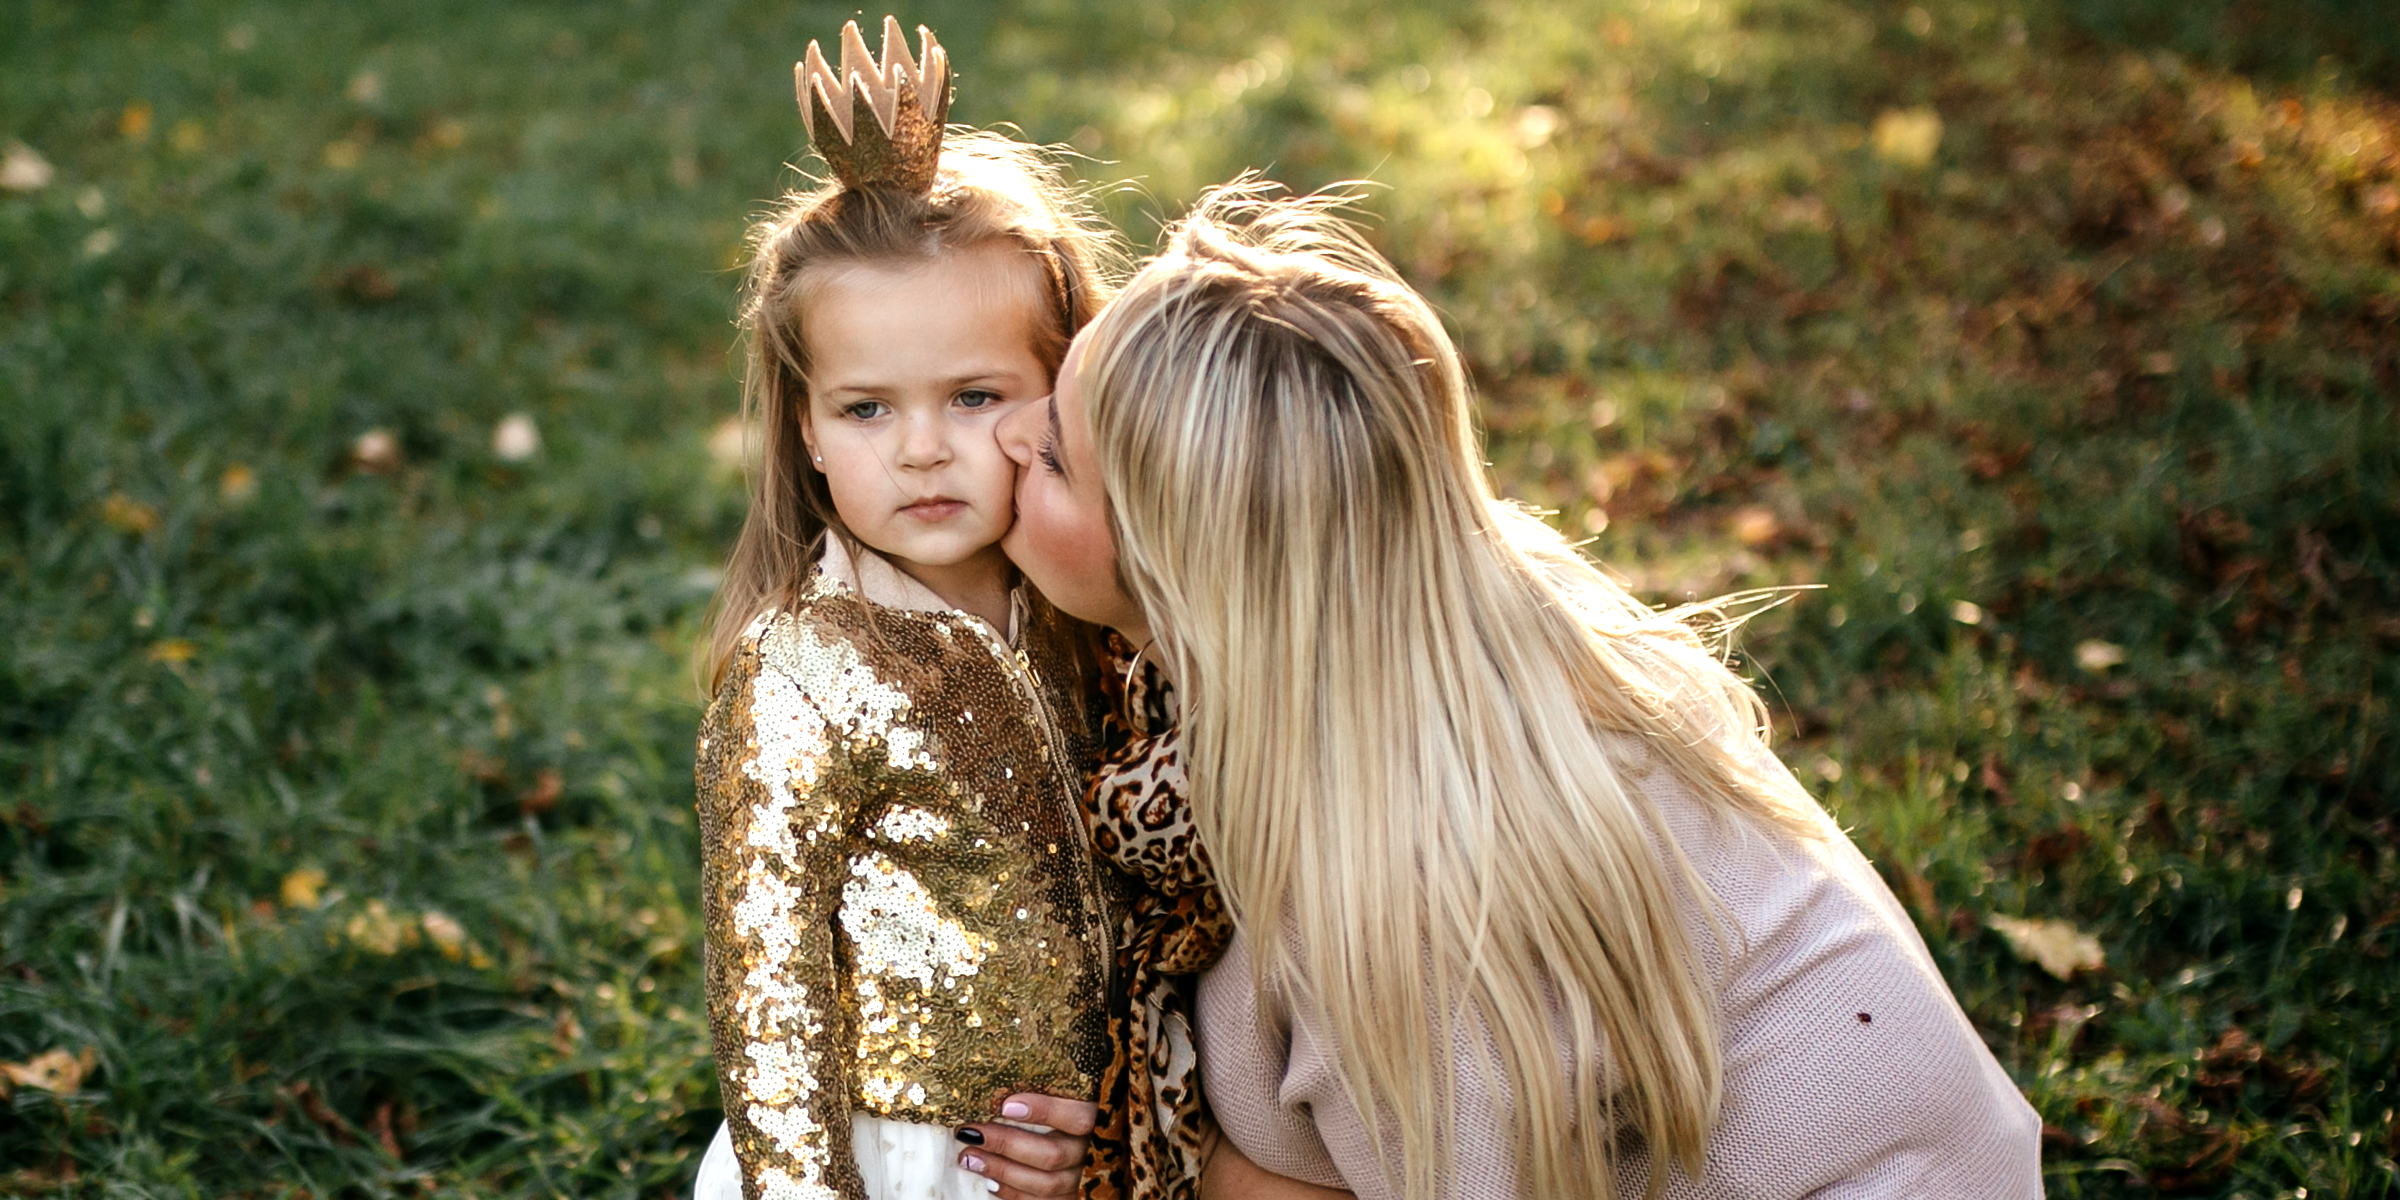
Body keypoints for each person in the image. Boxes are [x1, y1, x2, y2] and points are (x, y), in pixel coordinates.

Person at [981, 183, 2045, 1199]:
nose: (1011, 436)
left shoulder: (1406, 899)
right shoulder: (1425, 638)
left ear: (1190, 568)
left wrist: (1150, 1162)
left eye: (1061, 457)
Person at [689, 19, 1133, 1200]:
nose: (925, 451)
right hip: (895, 1162)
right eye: (868, 410)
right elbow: (769, 996)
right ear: (804, 427)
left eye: (976, 395)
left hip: (1085, 1147)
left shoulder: (1098, 624)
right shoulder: (801, 673)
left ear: (1066, 391)